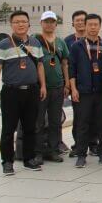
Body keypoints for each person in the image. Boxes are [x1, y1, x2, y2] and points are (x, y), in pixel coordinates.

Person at [0, 11, 47, 175]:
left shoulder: (35, 43)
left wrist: (43, 86)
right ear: (11, 24)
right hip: (11, 92)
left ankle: (29, 159)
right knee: (8, 129)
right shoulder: (4, 44)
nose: (20, 24)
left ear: (29, 24)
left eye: (23, 21)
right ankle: (7, 162)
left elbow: (40, 65)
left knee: (30, 127)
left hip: (31, 91)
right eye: (17, 22)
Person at [69, 14, 102, 168]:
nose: (93, 27)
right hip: (83, 92)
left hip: (101, 92)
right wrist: (73, 89)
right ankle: (81, 155)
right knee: (82, 124)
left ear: (100, 26)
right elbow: (72, 69)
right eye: (90, 24)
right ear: (85, 26)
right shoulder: (77, 46)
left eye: (96, 24)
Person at [34, 11, 69, 163]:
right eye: (46, 21)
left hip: (58, 87)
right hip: (40, 88)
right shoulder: (35, 40)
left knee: (55, 121)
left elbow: (65, 64)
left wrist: (67, 84)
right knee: (39, 121)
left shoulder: (60, 42)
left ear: (56, 24)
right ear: (41, 23)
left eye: (52, 22)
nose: (49, 24)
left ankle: (53, 150)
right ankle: (37, 152)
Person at [65, 10, 91, 156]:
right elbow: (66, 64)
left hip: (93, 86)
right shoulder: (68, 41)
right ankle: (78, 145)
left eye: (83, 20)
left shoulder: (94, 40)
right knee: (79, 117)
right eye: (77, 20)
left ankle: (93, 144)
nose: (80, 23)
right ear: (73, 23)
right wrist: (68, 85)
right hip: (76, 85)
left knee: (93, 117)